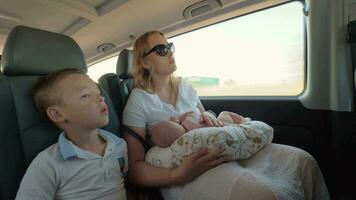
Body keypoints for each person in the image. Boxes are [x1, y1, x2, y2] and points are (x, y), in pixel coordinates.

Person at [122, 30, 330, 200]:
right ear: (145, 63)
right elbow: (135, 168)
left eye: (170, 46)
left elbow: (205, 118)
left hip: (223, 150)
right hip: (187, 170)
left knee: (303, 161)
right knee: (263, 194)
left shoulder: (186, 87)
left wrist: (210, 117)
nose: (170, 52)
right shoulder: (139, 100)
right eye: (161, 49)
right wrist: (178, 174)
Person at [16, 69, 129, 200]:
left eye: (98, 92)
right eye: (85, 95)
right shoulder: (48, 164)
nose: (101, 98)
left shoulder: (119, 145)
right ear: (57, 114)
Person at [150, 110, 251, 147]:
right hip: (221, 124)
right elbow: (191, 112)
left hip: (220, 128)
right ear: (174, 123)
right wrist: (177, 118)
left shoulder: (189, 139)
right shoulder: (186, 121)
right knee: (224, 113)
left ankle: (243, 125)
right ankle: (245, 122)